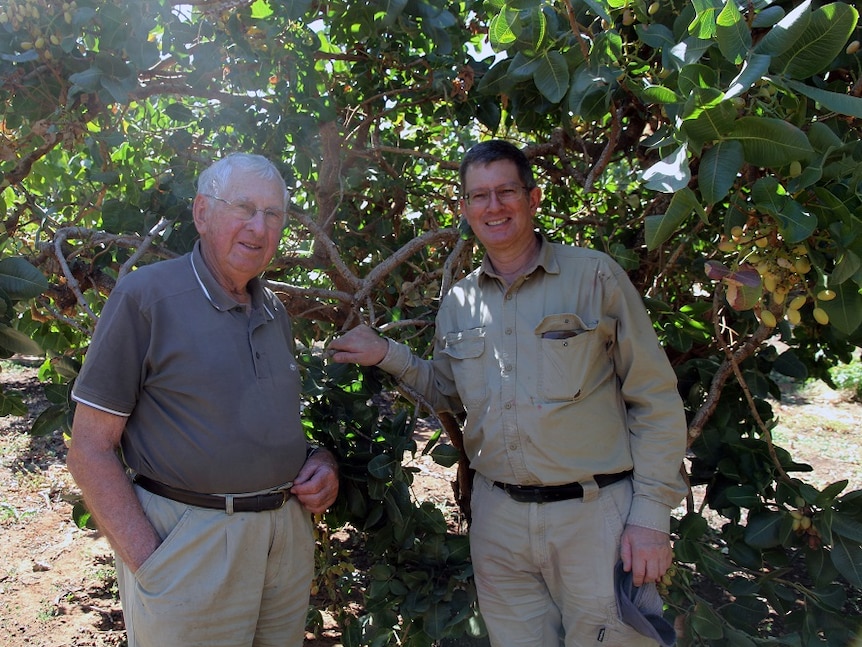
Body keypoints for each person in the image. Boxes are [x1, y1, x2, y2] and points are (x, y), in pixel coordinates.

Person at [327, 140, 687, 646]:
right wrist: (385, 352)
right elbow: (448, 391)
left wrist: (651, 518)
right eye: (479, 196)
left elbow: (655, 397)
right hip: (499, 522)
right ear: (464, 208)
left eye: (505, 192)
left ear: (533, 198)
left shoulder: (594, 276)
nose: (493, 207)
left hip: (594, 517)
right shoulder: (460, 301)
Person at [66, 153, 339, 647]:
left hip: (283, 543)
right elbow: (89, 448)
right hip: (192, 545)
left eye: (273, 213)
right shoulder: (146, 297)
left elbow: (266, 424)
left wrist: (317, 461)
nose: (259, 226)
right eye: (243, 207)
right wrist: (153, 563)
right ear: (202, 213)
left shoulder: (272, 308)